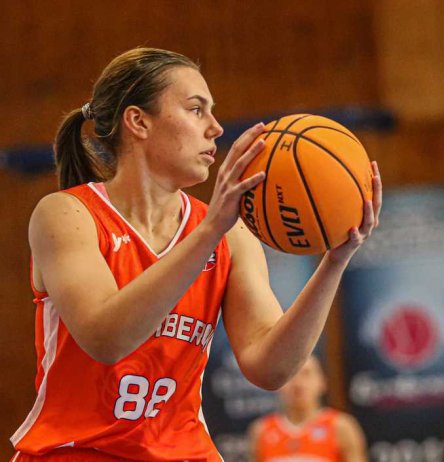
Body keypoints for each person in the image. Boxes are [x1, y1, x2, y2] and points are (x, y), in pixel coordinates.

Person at [10, 47, 382, 462]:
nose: (216, 128)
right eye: (196, 109)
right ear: (138, 122)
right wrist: (209, 231)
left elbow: (270, 369)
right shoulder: (67, 215)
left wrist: (335, 262)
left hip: (184, 451)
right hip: (77, 451)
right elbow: (107, 339)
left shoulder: (229, 234)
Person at [249, 356, 367, 462]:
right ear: (277, 384)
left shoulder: (341, 427)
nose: (298, 383)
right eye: (289, 376)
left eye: (306, 374)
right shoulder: (261, 430)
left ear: (322, 382)